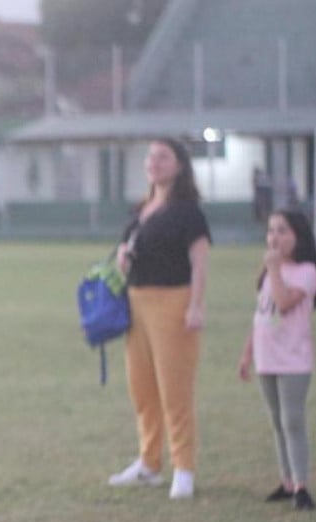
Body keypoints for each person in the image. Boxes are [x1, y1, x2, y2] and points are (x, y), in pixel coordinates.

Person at [108, 138, 211, 500]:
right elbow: (129, 258)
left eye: (163, 157)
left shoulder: (188, 212)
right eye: (151, 156)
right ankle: (149, 463)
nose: (154, 162)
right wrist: (123, 258)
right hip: (137, 302)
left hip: (173, 301)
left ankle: (184, 468)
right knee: (142, 388)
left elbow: (200, 262)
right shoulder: (141, 209)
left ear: (179, 165)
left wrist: (195, 306)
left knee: (174, 390)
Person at [238, 210, 316, 511]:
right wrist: (247, 353)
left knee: (292, 420)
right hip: (267, 356)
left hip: (293, 359)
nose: (274, 237)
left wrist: (273, 268)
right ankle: (286, 481)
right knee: (276, 420)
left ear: (298, 236)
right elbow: (262, 314)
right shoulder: (269, 272)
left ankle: (301, 485)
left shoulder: (306, 271)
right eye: (271, 230)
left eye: (282, 231)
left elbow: (284, 303)